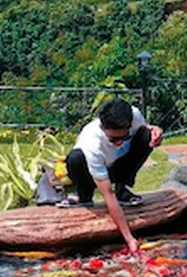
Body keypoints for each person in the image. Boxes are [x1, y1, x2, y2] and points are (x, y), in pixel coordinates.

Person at [59, 99, 163, 253]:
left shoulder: (134, 115)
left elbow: (143, 129)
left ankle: (123, 188)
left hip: (117, 166)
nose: (120, 143)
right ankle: (84, 194)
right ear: (102, 127)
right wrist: (129, 239)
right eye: (113, 139)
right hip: (87, 170)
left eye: (124, 137)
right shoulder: (91, 142)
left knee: (146, 135)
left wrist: (156, 130)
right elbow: (108, 196)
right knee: (75, 158)